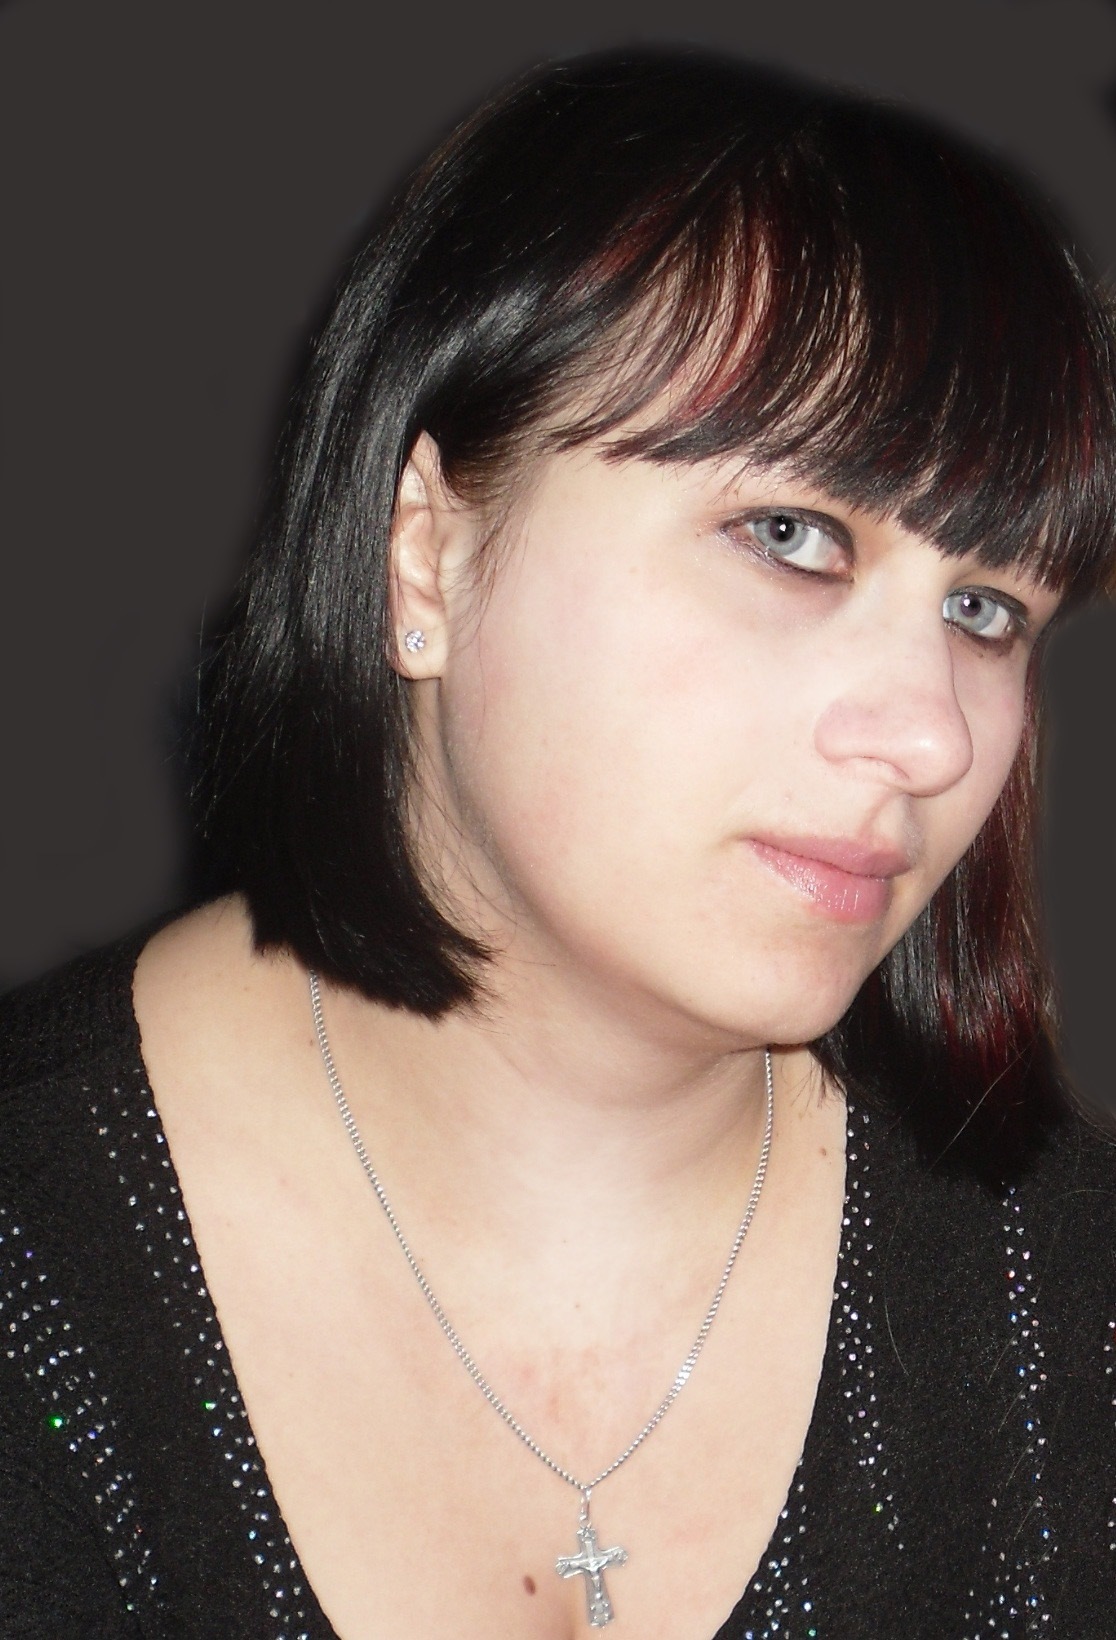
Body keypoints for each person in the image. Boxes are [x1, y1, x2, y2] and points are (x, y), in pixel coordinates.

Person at [2, 45, 1116, 1639]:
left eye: (987, 612)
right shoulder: (40, 1263)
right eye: (791, 536)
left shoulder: (1062, 1299)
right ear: (426, 559)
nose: (934, 737)